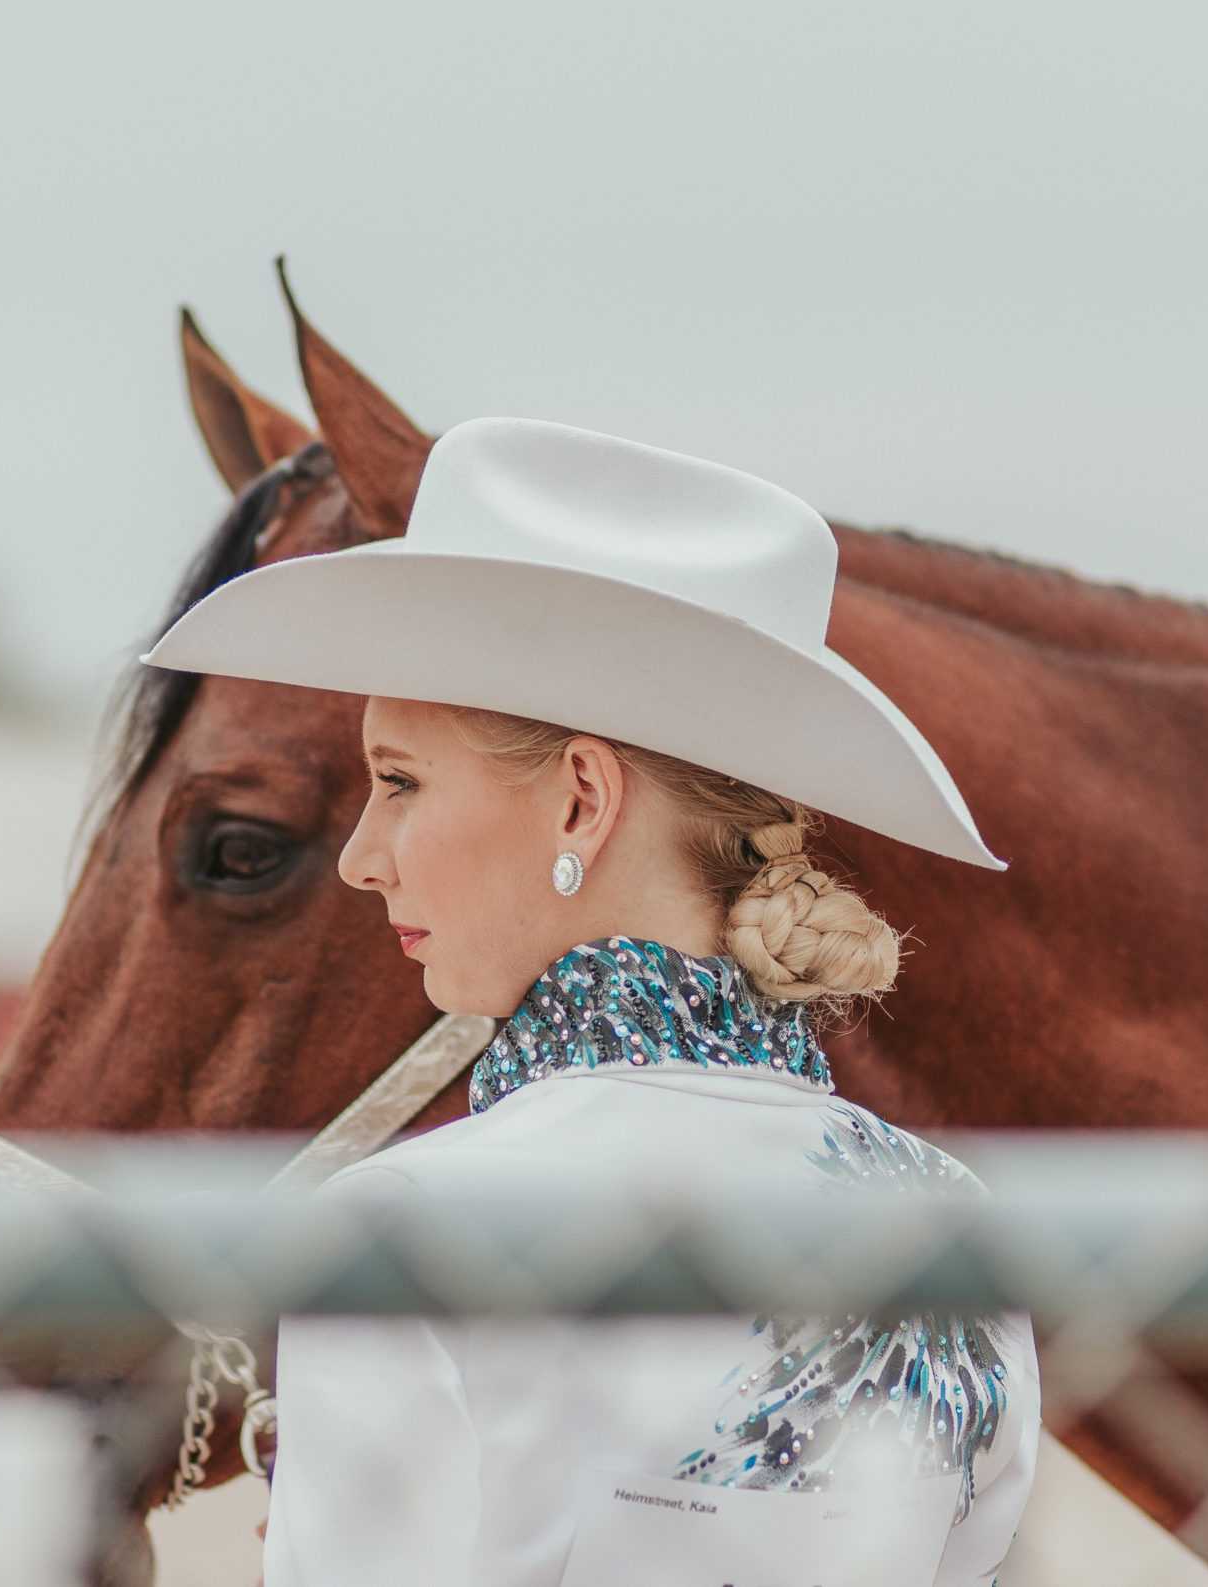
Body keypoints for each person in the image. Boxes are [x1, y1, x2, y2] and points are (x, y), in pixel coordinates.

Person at [139, 416, 1038, 1586]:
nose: (364, 856)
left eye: (400, 782)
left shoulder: (403, 1227)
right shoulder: (950, 1225)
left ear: (579, 802)